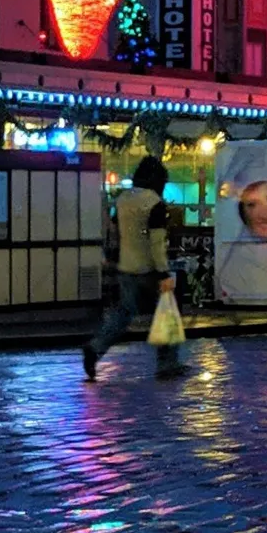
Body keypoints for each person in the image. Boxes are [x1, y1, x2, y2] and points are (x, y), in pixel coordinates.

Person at [85, 155, 179, 380]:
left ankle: (96, 347)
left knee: (123, 314)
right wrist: (163, 272)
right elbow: (156, 242)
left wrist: (112, 256)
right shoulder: (154, 203)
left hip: (126, 267)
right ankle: (167, 364)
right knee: (166, 315)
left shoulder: (123, 199)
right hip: (149, 270)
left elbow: (115, 231)